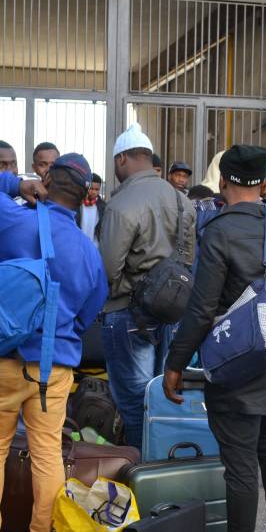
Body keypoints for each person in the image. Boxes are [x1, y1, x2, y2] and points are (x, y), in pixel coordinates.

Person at [0, 153, 108, 532]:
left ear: (47, 180)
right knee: (47, 456)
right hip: (54, 368)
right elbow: (90, 311)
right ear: (84, 197)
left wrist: (14, 185)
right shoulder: (87, 251)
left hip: (2, 359)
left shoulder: (15, 221)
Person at [162, 145, 266, 532]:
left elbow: (202, 307)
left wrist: (176, 362)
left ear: (224, 181)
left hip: (237, 358)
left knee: (240, 457)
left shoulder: (220, 230)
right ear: (263, 181)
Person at [98, 123, 196, 449]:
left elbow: (109, 267)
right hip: (172, 313)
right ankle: (167, 464)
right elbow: (187, 259)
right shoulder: (183, 202)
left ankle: (144, 470)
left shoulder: (122, 203)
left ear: (122, 158)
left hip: (128, 314)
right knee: (162, 394)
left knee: (133, 401)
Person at [76, 173, 106, 244]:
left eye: (96, 189)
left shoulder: (103, 206)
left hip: (95, 246)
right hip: (78, 244)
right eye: (91, 188)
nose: (93, 192)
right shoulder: (77, 204)